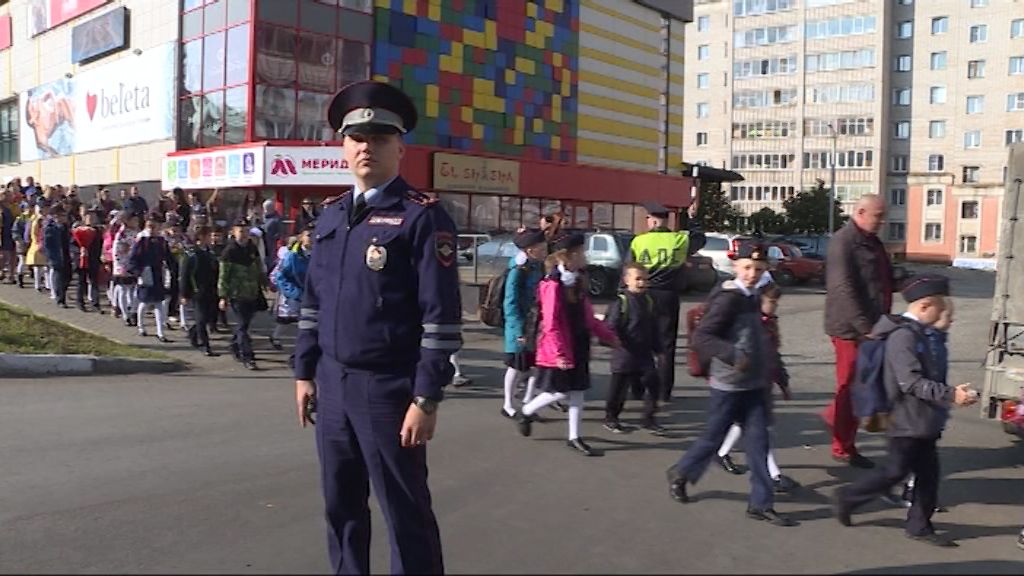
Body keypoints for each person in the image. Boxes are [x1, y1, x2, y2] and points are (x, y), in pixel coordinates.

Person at [293, 80, 462, 574]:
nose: (367, 146)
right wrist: (304, 372)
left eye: (380, 137)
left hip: (388, 389)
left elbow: (441, 318)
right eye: (357, 137)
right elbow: (312, 302)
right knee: (340, 506)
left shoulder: (422, 218)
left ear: (400, 147)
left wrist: (426, 397)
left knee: (405, 511)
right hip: (332, 384)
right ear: (343, 146)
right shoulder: (330, 217)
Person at [833, 274, 978, 547]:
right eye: (940, 308)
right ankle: (849, 497)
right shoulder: (903, 336)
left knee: (928, 476)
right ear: (924, 306)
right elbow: (910, 382)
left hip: (923, 420)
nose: (943, 315)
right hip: (905, 420)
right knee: (894, 472)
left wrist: (950, 395)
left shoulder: (921, 334)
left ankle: (920, 526)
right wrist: (951, 395)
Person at [665, 244, 797, 527]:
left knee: (759, 444)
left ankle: (761, 504)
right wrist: (734, 355)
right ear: (736, 266)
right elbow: (703, 338)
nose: (752, 274)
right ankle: (681, 472)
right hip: (729, 386)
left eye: (759, 269)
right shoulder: (728, 298)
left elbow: (763, 341)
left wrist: (778, 375)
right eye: (747, 267)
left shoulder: (754, 297)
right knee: (713, 438)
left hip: (756, 386)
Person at [514, 232, 620, 456]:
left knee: (577, 391)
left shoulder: (579, 280)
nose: (585, 255)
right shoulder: (552, 284)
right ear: (567, 257)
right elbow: (550, 322)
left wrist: (609, 336)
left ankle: (574, 437)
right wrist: (559, 353)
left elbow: (588, 317)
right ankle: (527, 410)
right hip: (560, 347)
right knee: (559, 392)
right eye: (581, 252)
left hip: (578, 343)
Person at [823, 194, 894, 469]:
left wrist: (918, 284)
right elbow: (843, 289)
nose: (883, 221)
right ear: (861, 212)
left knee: (860, 384)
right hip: (850, 329)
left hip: (871, 326)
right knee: (851, 386)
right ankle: (842, 446)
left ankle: (834, 420)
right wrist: (865, 328)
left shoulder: (872, 242)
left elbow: (884, 279)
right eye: (879, 215)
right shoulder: (844, 242)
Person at [713, 282, 798, 493]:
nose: (774, 306)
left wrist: (783, 381)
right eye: (771, 302)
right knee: (763, 430)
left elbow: (774, 355)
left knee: (745, 424)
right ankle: (774, 475)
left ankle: (722, 453)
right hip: (747, 383)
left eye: (776, 302)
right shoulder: (751, 324)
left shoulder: (770, 323)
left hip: (761, 383)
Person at [628, 201, 701, 403]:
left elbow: (628, 270)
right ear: (667, 221)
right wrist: (692, 219)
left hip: (643, 295)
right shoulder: (678, 239)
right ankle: (663, 392)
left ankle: (637, 389)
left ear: (651, 221)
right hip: (668, 296)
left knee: (638, 341)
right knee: (666, 347)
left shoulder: (638, 241)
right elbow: (699, 240)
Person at [603, 263, 665, 435]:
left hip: (644, 353)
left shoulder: (649, 301)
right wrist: (617, 342)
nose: (642, 283)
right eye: (638, 279)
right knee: (618, 389)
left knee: (653, 383)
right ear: (626, 280)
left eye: (645, 279)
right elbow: (611, 326)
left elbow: (653, 327)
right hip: (624, 353)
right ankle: (611, 417)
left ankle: (649, 419)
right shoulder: (621, 302)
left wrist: (659, 348)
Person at [500, 229, 547, 419]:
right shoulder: (518, 270)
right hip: (520, 325)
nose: (545, 250)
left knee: (537, 365)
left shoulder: (538, 266)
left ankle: (529, 401)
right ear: (529, 250)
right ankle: (508, 404)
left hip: (536, 323)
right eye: (541, 247)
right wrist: (518, 330)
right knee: (516, 366)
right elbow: (510, 302)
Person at [218, 220, 266, 370]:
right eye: (240, 231)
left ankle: (234, 345)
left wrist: (264, 282)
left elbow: (258, 266)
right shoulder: (229, 251)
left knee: (243, 324)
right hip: (237, 294)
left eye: (246, 231)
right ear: (233, 232)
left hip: (252, 292)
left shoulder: (252, 247)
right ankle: (248, 356)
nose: (244, 234)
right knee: (243, 326)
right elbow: (223, 276)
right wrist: (223, 296)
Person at [129, 212, 175, 342]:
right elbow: (133, 258)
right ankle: (141, 326)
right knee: (144, 302)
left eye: (156, 225)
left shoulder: (161, 240)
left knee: (159, 302)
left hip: (158, 273)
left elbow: (168, 256)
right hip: (146, 273)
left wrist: (173, 269)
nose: (153, 228)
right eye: (151, 225)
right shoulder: (142, 240)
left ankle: (160, 332)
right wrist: (138, 272)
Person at [271, 224, 312, 355]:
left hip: (311, 295)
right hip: (295, 295)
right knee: (287, 320)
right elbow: (280, 277)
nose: (312, 239)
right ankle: (276, 338)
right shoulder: (292, 256)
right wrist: (294, 293)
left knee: (308, 324)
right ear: (301, 238)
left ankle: (300, 352)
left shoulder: (319, 254)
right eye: (309, 235)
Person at [181, 226, 220, 357]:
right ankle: (205, 345)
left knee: (208, 317)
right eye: (209, 236)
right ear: (202, 237)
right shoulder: (191, 254)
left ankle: (193, 334)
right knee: (202, 319)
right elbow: (185, 274)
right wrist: (184, 294)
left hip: (211, 290)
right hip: (197, 290)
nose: (211, 239)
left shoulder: (210, 252)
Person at [71, 210, 104, 313]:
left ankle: (95, 304)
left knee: (94, 282)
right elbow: (72, 245)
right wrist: (79, 251)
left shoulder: (98, 231)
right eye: (89, 217)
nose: (91, 220)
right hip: (81, 260)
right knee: (81, 282)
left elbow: (101, 244)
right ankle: (80, 302)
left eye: (93, 218)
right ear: (84, 219)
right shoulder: (78, 230)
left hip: (93, 259)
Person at [112, 213, 141, 326]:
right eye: (134, 220)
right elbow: (121, 249)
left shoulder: (137, 232)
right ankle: (125, 314)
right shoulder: (122, 233)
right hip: (123, 264)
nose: (136, 223)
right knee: (123, 289)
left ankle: (132, 310)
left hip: (134, 264)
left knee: (134, 289)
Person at [42, 206, 71, 308]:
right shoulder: (50, 228)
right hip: (57, 256)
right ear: (56, 216)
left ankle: (63, 293)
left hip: (67, 254)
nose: (64, 218)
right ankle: (60, 299)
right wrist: (51, 258)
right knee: (59, 277)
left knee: (68, 276)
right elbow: (47, 245)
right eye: (62, 216)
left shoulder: (66, 226)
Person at [25, 204, 48, 292]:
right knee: (39, 266)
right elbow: (36, 233)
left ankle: (44, 284)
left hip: (39, 244)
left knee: (43, 266)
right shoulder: (38, 220)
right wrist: (39, 243)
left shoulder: (37, 219)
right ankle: (38, 285)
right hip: (38, 244)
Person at [261, 199, 283, 273]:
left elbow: (280, 232)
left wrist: (272, 237)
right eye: (265, 208)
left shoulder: (277, 219)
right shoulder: (262, 217)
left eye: (268, 208)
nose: (265, 210)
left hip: (270, 244)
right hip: (261, 242)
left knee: (270, 261)